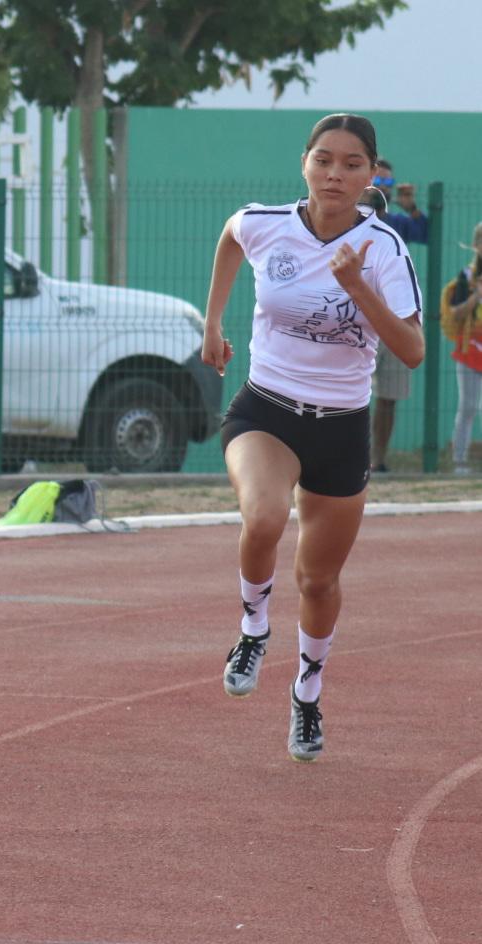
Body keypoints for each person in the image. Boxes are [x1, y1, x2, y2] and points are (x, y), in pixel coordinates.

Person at [202, 113, 424, 762]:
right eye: (324, 160)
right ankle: (251, 628)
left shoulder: (383, 249)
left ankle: (307, 691)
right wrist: (213, 323)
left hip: (341, 427)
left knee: (318, 582)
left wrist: (356, 285)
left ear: (371, 175)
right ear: (305, 163)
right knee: (265, 516)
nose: (335, 174)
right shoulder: (267, 223)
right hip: (265, 410)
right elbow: (229, 239)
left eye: (352, 164)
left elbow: (411, 351)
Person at [367, 157, 428, 472]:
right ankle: (352, 457)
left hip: (397, 317)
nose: (384, 189)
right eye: (379, 182)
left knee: (388, 397)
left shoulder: (398, 222)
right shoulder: (352, 218)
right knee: (352, 392)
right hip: (362, 317)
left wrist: (411, 206)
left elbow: (427, 232)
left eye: (388, 184)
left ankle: (379, 459)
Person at [441, 222, 482, 475]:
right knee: (467, 406)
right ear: (476, 245)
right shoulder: (465, 278)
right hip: (470, 350)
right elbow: (453, 313)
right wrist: (475, 298)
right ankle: (459, 460)